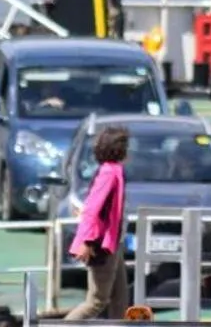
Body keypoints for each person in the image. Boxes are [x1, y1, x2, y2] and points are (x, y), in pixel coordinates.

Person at [66, 125, 130, 321]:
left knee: (120, 298)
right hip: (102, 242)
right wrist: (87, 241)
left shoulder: (112, 170)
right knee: (97, 300)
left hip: (113, 242)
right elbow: (95, 208)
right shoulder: (110, 172)